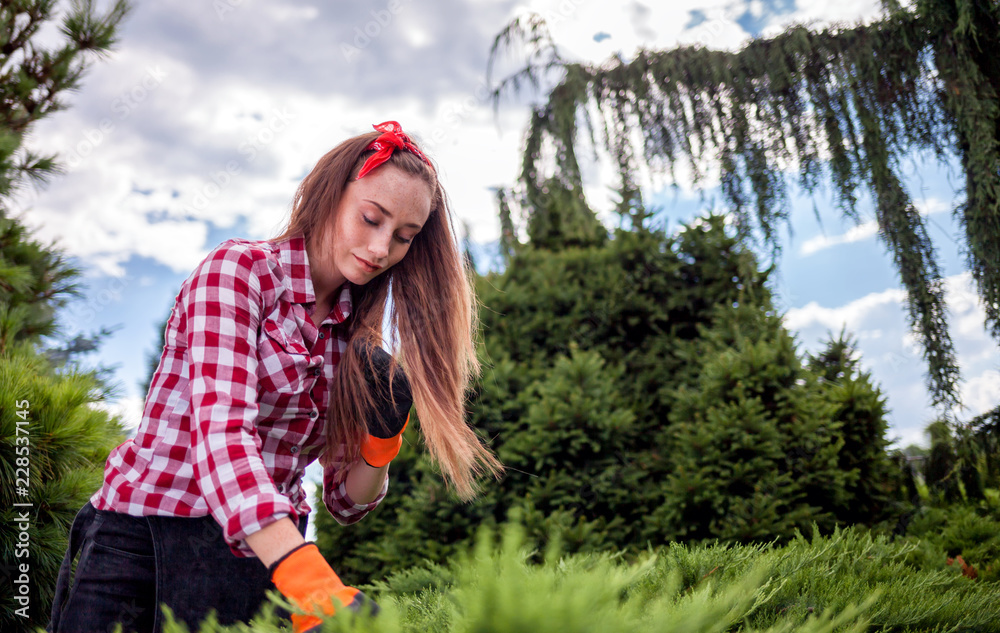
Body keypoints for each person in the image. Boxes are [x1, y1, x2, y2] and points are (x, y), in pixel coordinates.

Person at [46, 121, 503, 633]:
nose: (381, 249)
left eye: (403, 237)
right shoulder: (238, 273)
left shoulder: (356, 340)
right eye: (371, 219)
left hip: (261, 561)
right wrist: (313, 585)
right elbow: (221, 438)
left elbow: (345, 502)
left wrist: (381, 443)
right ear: (331, 195)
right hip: (144, 543)